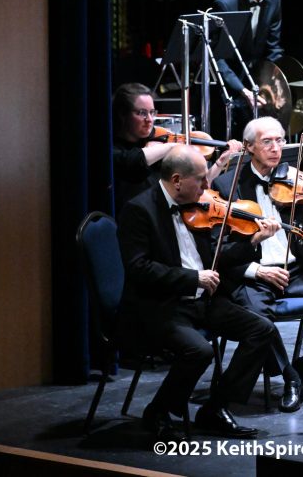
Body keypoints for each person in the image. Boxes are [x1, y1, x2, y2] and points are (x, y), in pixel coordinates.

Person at [117, 145, 277, 440]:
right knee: (199, 350)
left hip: (201, 300)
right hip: (160, 305)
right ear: (177, 180)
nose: (207, 186)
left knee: (261, 330)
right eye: (201, 179)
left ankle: (216, 407)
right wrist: (193, 278)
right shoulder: (138, 210)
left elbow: (219, 258)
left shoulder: (198, 206)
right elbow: (139, 269)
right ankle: (158, 411)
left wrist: (253, 241)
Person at [211, 116, 303, 412]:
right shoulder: (227, 185)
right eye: (267, 141)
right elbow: (219, 249)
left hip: (295, 271)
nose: (276, 147)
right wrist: (258, 270)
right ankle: (290, 376)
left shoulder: (294, 182)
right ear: (249, 147)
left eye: (280, 140)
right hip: (253, 275)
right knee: (259, 319)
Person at [112, 82, 241, 212]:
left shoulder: (156, 141)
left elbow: (196, 188)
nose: (150, 119)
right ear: (123, 114)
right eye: (142, 113)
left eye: (152, 112)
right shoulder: (115, 151)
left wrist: (220, 163)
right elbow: (134, 161)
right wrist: (171, 147)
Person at [211, 0, 286, 135]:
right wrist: (241, 90)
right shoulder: (226, 4)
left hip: (257, 82)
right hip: (230, 86)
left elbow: (273, 47)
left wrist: (276, 83)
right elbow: (217, 57)